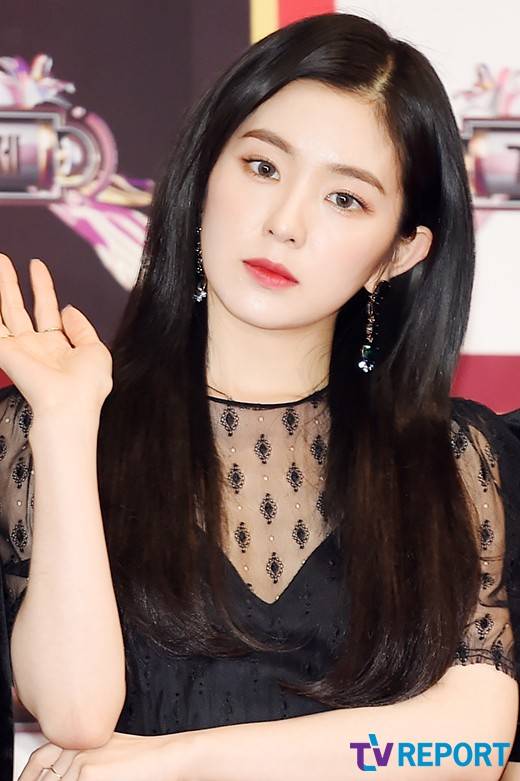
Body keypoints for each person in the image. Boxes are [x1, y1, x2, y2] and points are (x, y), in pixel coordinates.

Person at [1, 11, 519, 780]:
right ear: (206, 171)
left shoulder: (453, 457)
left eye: (345, 199)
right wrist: (66, 425)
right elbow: (76, 715)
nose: (284, 224)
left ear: (399, 253)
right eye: (263, 167)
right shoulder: (50, 427)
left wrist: (179, 761)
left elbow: (468, 746)